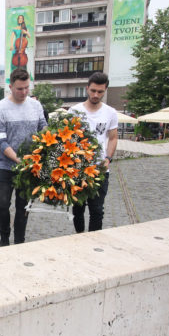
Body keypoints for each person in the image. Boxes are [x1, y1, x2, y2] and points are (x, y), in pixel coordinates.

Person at [0, 69, 47, 246]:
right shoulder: (0, 107)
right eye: (19, 89)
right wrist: (18, 159)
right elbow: (0, 141)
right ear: (10, 87)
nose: (24, 92)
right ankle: (4, 236)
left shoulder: (36, 106)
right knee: (1, 204)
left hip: (30, 168)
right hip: (6, 165)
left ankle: (19, 241)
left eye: (27, 88)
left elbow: (44, 129)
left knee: (23, 208)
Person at [68, 72, 118, 233]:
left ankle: (94, 240)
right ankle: (80, 236)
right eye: (93, 90)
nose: (96, 95)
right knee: (78, 208)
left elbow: (113, 138)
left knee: (97, 210)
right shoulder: (74, 111)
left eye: (100, 92)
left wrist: (108, 158)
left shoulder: (110, 113)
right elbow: (67, 138)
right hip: (78, 168)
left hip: (100, 169)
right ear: (87, 88)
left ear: (105, 91)